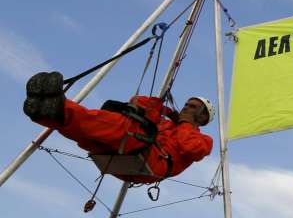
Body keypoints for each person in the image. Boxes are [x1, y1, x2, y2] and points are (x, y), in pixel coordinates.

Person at [23, 70, 214, 183]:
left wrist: (185, 124)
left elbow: (190, 148)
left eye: (193, 107)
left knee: (124, 128)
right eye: (186, 104)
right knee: (91, 136)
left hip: (153, 163)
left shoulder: (204, 140)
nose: (186, 108)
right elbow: (137, 102)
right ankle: (45, 113)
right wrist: (163, 108)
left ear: (203, 117)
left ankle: (61, 108)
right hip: (129, 156)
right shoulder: (166, 122)